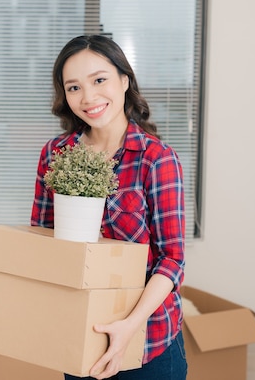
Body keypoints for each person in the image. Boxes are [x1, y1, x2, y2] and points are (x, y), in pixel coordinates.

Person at [31, 35, 187, 380]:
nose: (88, 98)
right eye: (73, 87)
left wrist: (129, 325)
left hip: (148, 340)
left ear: (124, 80)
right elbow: (41, 240)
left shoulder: (156, 159)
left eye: (99, 80)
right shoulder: (56, 154)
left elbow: (172, 259)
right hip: (81, 332)